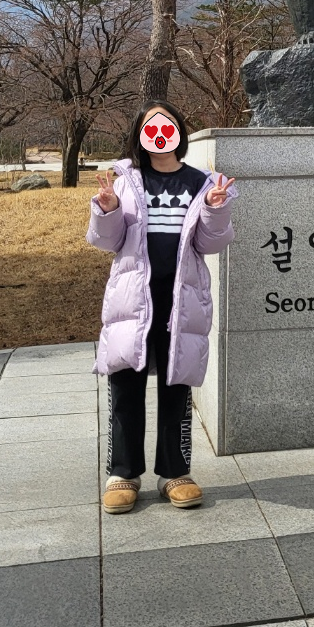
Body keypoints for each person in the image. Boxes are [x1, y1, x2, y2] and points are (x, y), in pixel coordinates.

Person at [87, 100, 237, 516]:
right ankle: (123, 473)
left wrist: (216, 209)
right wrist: (108, 209)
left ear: (178, 131)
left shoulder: (202, 182)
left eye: (166, 124)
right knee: (125, 385)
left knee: (176, 385)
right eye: (150, 127)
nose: (158, 133)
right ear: (139, 134)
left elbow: (210, 244)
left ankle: (175, 472)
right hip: (132, 299)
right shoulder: (125, 181)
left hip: (181, 299)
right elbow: (106, 241)